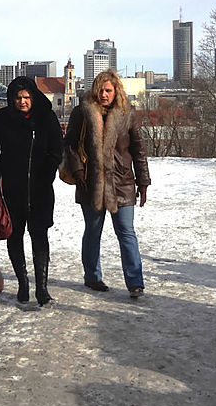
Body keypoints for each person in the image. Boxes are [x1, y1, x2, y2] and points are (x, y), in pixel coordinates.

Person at [63, 70, 150, 297]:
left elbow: (139, 151)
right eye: (100, 90)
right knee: (92, 231)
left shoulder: (127, 114)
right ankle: (92, 277)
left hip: (121, 182)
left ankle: (135, 283)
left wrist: (143, 182)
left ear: (116, 91)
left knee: (127, 232)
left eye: (108, 90)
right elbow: (70, 145)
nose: (103, 94)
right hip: (89, 182)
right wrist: (79, 171)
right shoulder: (82, 112)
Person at [0, 77, 63, 306]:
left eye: (26, 97)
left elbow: (57, 149)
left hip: (40, 190)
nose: (22, 102)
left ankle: (42, 288)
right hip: (11, 190)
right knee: (14, 236)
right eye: (18, 98)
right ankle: (22, 283)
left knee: (39, 237)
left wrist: (48, 172)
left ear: (33, 97)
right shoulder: (2, 118)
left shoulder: (46, 117)